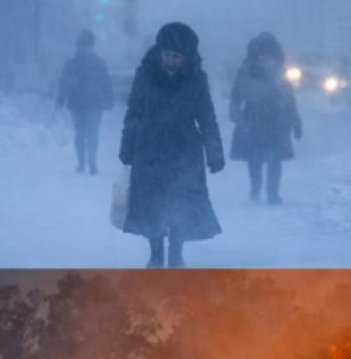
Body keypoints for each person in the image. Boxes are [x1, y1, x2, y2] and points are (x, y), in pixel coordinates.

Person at [118, 22, 225, 269]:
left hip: (184, 152)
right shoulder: (145, 75)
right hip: (149, 151)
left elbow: (207, 116)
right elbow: (133, 112)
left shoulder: (197, 80)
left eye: (176, 56)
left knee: (180, 204)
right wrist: (127, 147)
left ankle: (176, 253)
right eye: (166, 54)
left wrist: (214, 153)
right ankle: (156, 254)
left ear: (186, 57)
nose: (170, 60)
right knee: (152, 205)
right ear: (159, 52)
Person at [229, 33, 302, 204]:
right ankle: (255, 188)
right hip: (252, 117)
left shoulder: (280, 72)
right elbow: (237, 93)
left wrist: (295, 121)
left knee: (275, 158)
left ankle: (272, 193)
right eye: (260, 53)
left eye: (268, 53)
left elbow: (288, 97)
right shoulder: (246, 70)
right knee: (254, 157)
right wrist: (235, 112)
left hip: (276, 119)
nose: (264, 57)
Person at [57, 30, 115, 175]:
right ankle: (82, 163)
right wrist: (60, 99)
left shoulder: (99, 64)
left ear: (91, 47)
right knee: (80, 134)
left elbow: (106, 83)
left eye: (86, 46)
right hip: (77, 104)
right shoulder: (72, 64)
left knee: (92, 134)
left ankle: (92, 163)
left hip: (94, 105)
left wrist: (109, 99)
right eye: (81, 46)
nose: (83, 49)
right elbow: (64, 83)